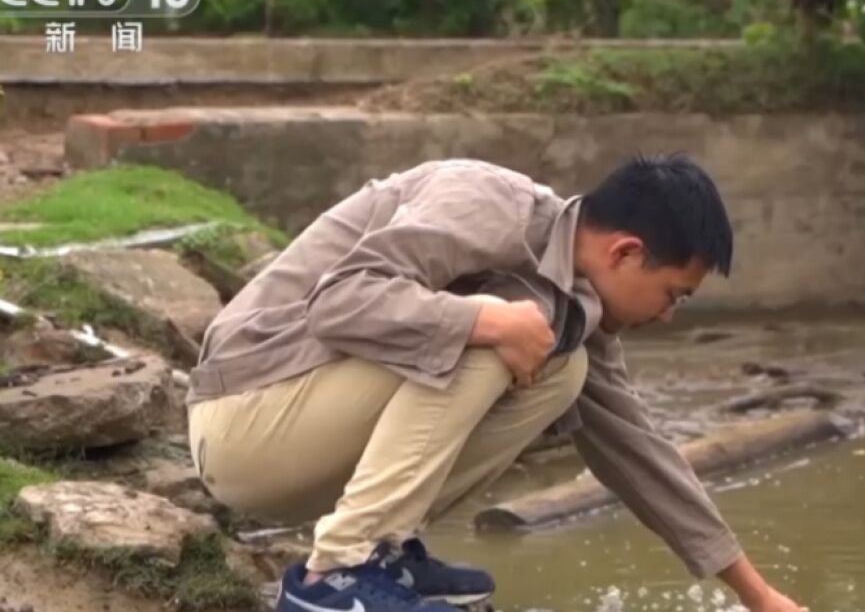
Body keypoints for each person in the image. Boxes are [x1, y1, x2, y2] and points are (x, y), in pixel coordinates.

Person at [186, 154, 806, 612]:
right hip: (245, 412)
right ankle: (334, 578)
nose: (667, 315)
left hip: (298, 441)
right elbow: (339, 302)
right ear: (624, 252)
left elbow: (640, 454)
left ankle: (385, 557)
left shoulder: (575, 307)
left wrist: (759, 598)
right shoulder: (485, 202)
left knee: (560, 367)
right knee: (507, 334)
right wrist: (483, 320)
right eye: (673, 295)